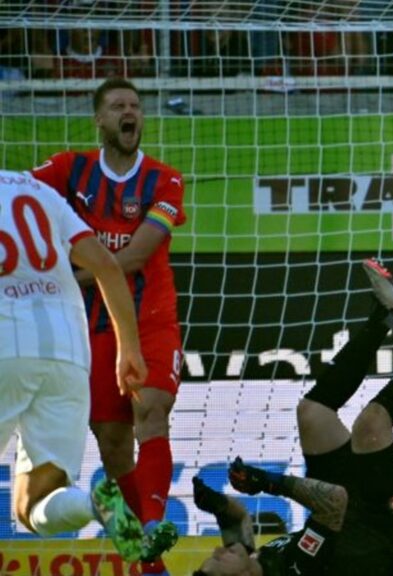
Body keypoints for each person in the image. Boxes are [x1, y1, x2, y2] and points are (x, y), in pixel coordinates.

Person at [190, 259, 393, 576]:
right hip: (390, 528)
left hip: (352, 518)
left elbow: (237, 523)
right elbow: (333, 500)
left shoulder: (252, 566)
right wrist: (267, 482)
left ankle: (387, 313)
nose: (218, 550)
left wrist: (217, 505)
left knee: (312, 414)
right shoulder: (295, 569)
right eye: (219, 559)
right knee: (371, 424)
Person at [32, 76, 187, 575]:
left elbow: (138, 255)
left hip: (152, 322)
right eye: (119, 105)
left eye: (137, 106)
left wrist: (68, 272)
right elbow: (17, 197)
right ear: (99, 119)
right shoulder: (67, 170)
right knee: (113, 444)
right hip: (93, 327)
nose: (131, 113)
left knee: (153, 413)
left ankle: (152, 524)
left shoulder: (165, 181)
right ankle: (149, 560)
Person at [0, 170, 148, 560]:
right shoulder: (37, 191)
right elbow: (108, 266)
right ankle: (93, 505)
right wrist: (128, 349)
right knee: (33, 506)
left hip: (4, 349)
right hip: (66, 356)